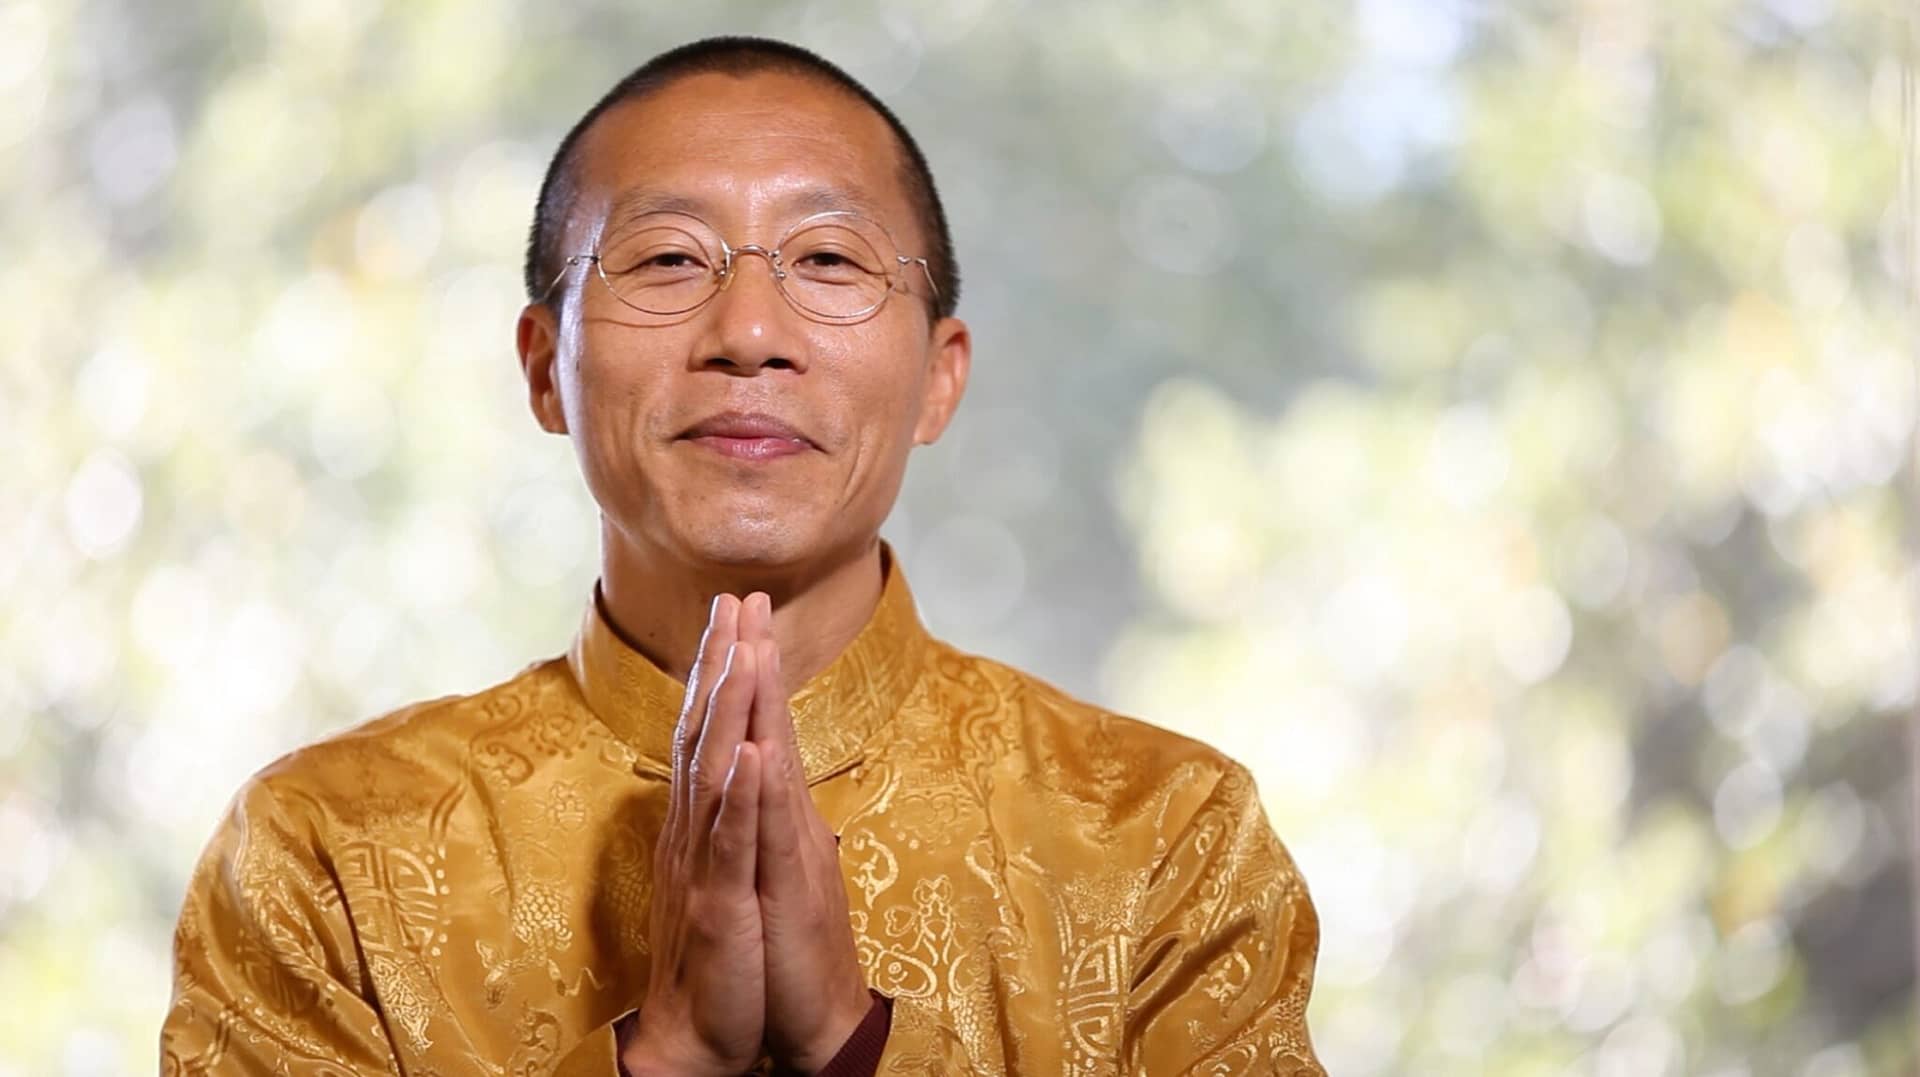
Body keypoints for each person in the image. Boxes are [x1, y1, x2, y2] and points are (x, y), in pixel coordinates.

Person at [161, 35, 1324, 1076]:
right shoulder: (326, 859)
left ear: (940, 375)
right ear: (541, 368)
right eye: (667, 261)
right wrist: (660, 1058)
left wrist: (854, 1045)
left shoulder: (1165, 838)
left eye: (827, 261)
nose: (751, 337)